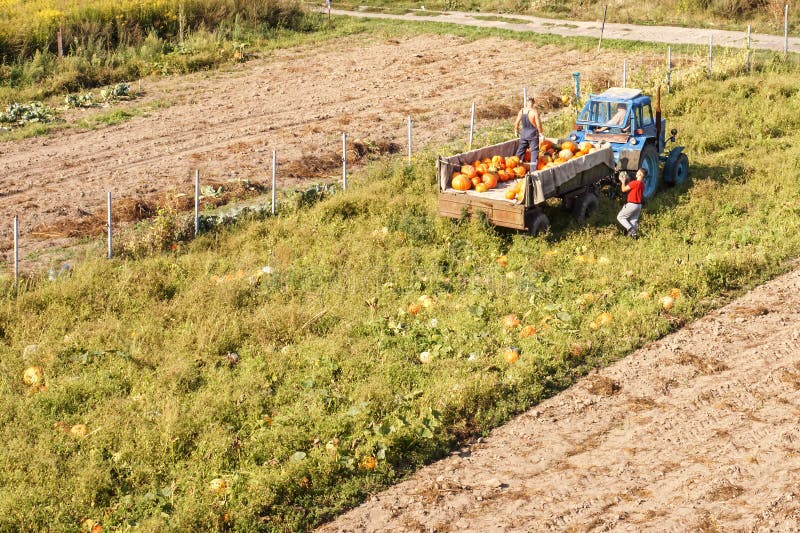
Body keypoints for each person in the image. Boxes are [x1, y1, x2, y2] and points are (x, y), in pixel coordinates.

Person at [617, 167, 646, 238]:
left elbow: (623, 189)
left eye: (638, 172)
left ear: (640, 174)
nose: (636, 173)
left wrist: (623, 181)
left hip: (632, 204)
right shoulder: (642, 184)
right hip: (639, 205)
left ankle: (630, 229)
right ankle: (634, 236)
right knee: (633, 221)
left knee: (620, 217)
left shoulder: (634, 183)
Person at [513, 96, 543, 162]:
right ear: (533, 102)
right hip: (532, 134)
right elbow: (538, 124)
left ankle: (515, 165)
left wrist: (516, 130)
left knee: (521, 150)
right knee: (534, 151)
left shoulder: (522, 111)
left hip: (524, 133)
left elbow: (516, 122)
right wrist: (541, 133)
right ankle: (533, 169)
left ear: (526, 103)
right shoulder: (534, 112)